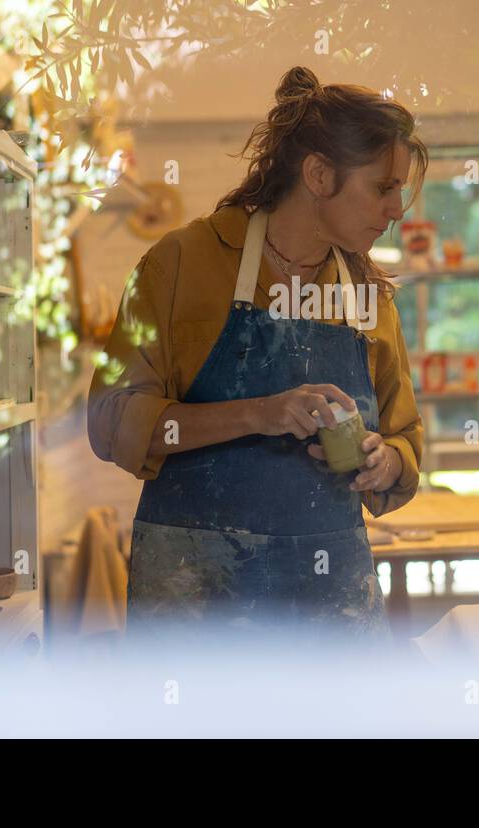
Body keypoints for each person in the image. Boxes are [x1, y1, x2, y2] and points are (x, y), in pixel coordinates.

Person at [87, 66, 427, 647]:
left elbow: (404, 439)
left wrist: (384, 462)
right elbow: (110, 421)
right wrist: (256, 414)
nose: (397, 208)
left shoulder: (365, 296)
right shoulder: (182, 264)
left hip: (328, 600)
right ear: (319, 174)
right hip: (195, 594)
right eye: (382, 187)